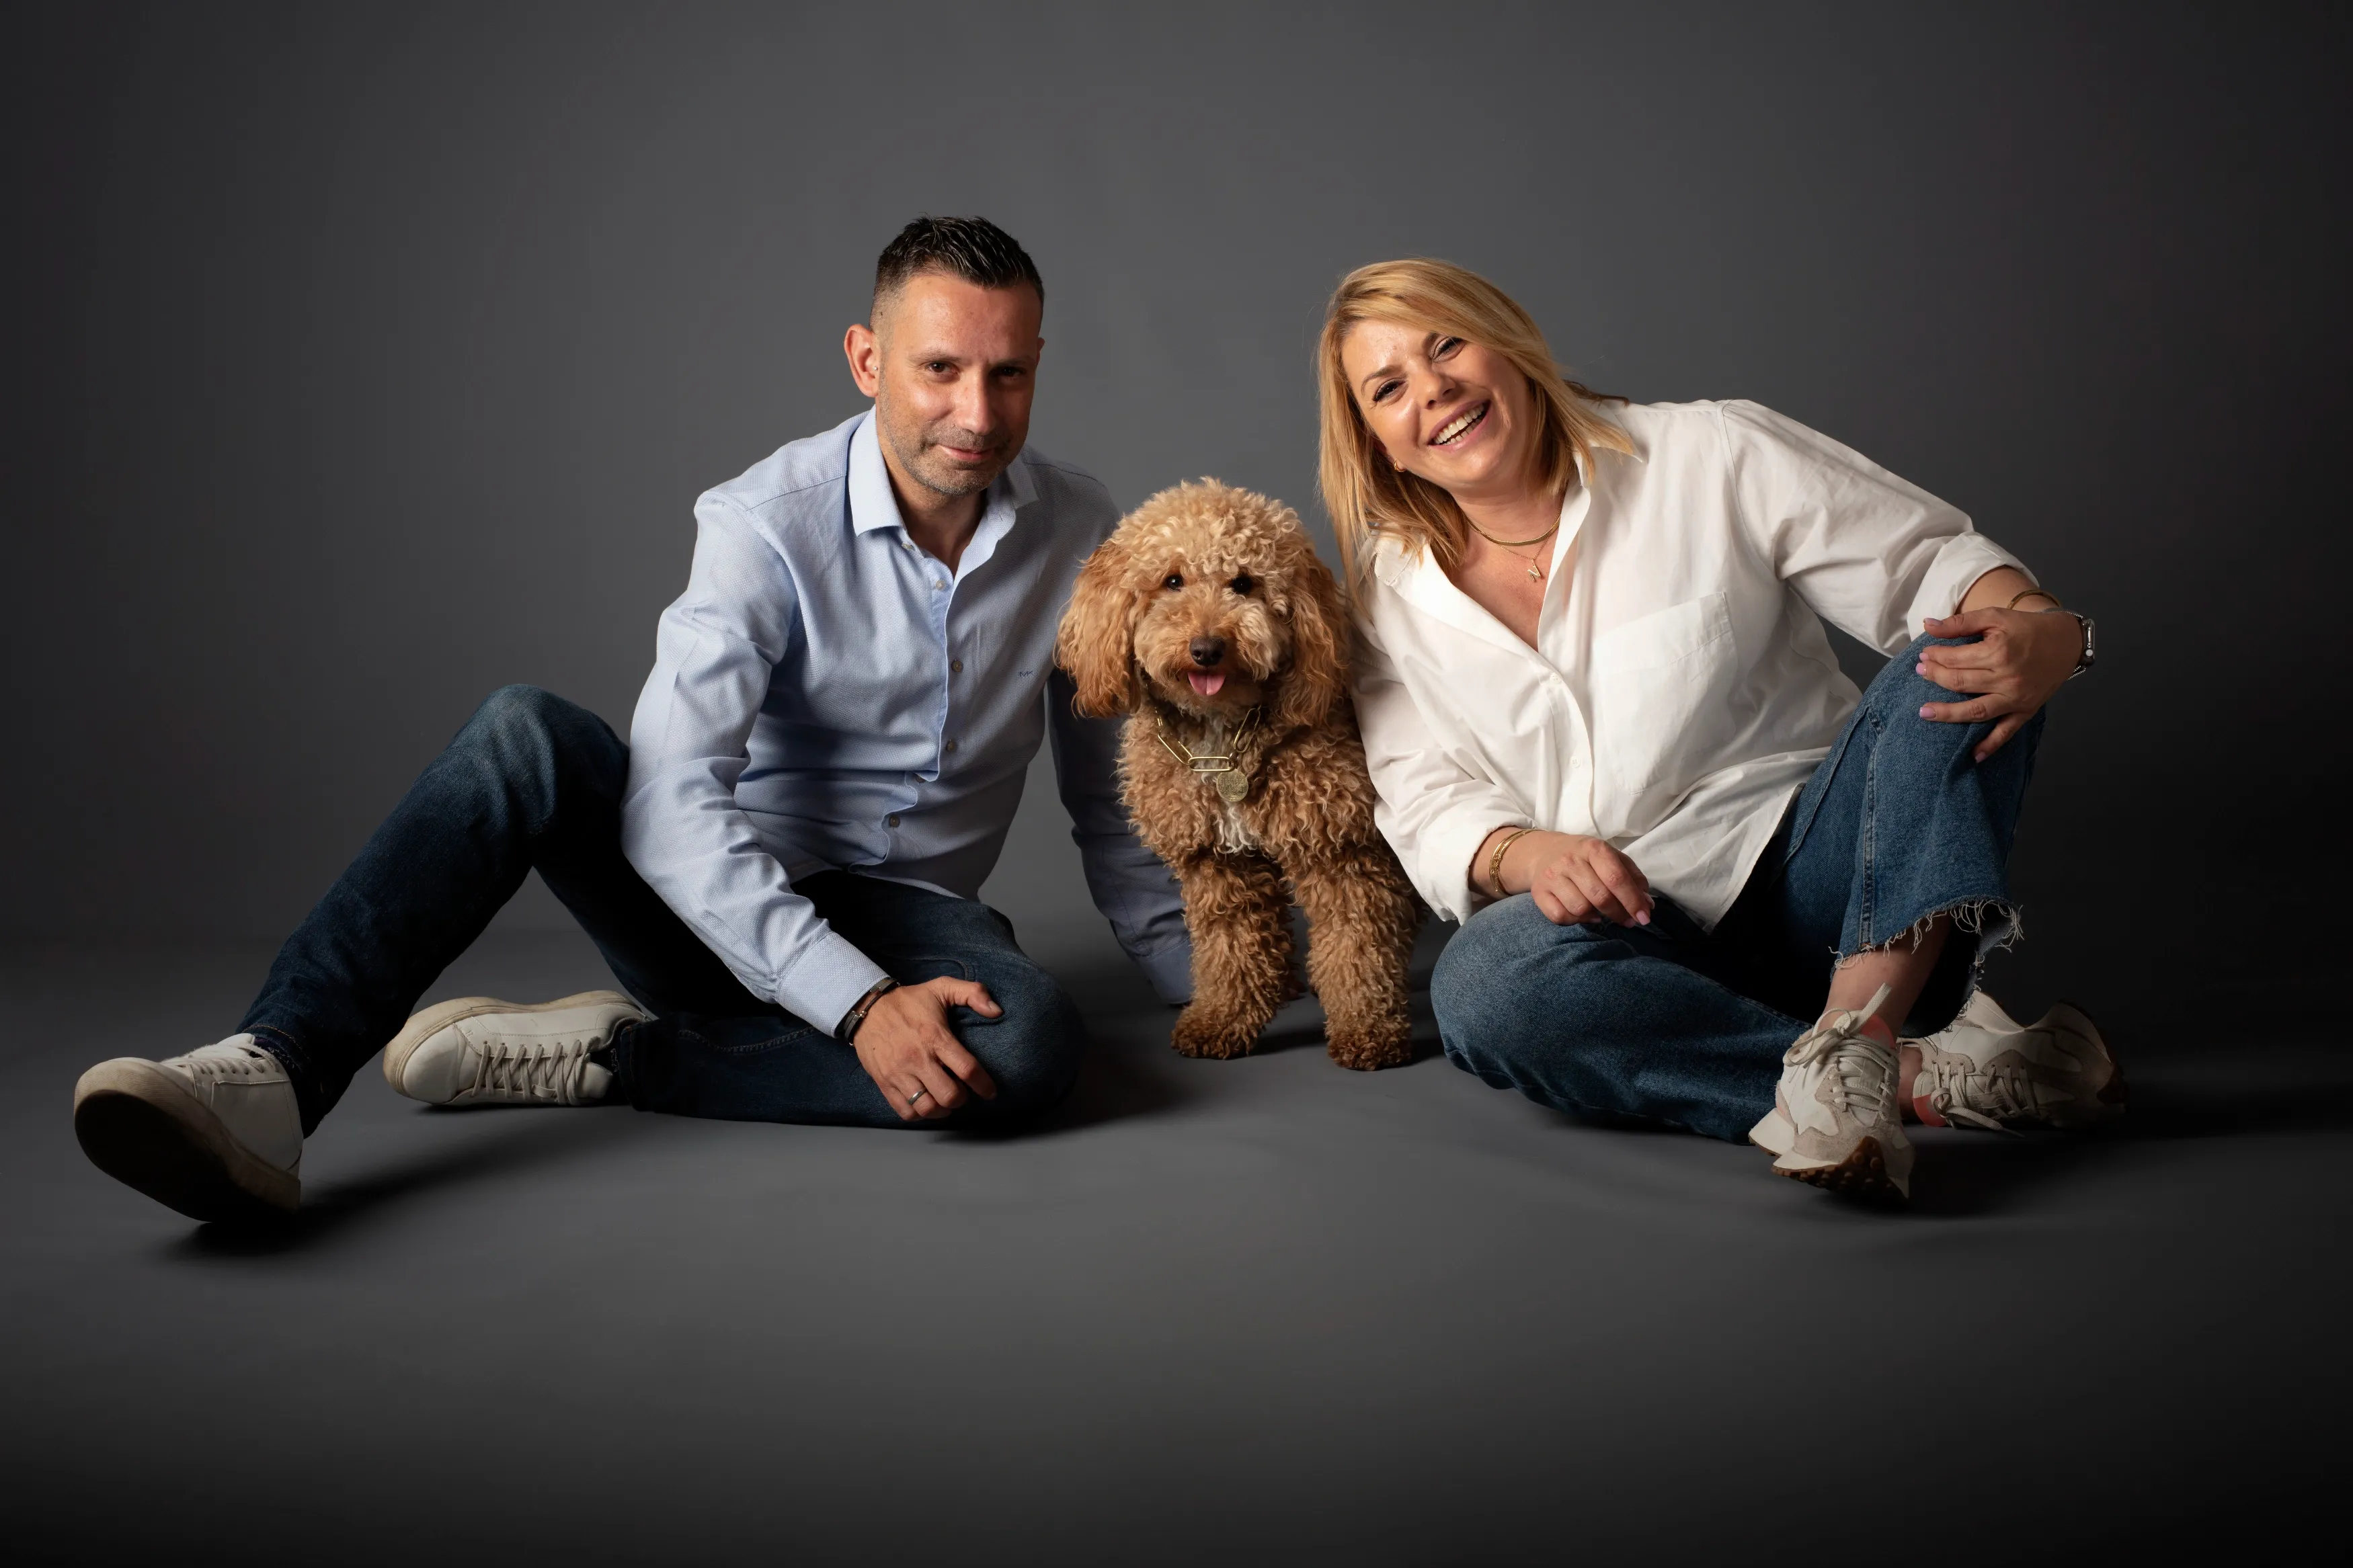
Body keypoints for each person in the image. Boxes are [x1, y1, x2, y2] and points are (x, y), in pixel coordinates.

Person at [72, 216, 1191, 1224]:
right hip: (717, 902)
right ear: (867, 361)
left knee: (1031, 1047)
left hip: (919, 916)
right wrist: (857, 1011)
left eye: (1007, 375)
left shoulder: (1084, 526)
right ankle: (274, 1071)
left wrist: (1201, 976)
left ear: (1039, 366)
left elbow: (1112, 791)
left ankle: (627, 1053)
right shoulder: (764, 523)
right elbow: (667, 802)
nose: (976, 414)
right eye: (939, 369)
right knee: (525, 733)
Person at [1320, 258, 2120, 1204]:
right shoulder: (1385, 592)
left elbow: (1930, 566)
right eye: (1390, 387)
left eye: (1447, 343)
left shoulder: (1707, 451)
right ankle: (1907, 1078)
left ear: (1506, 339)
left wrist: (2052, 634)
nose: (1434, 391)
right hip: (1632, 936)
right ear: (1377, 444)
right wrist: (1530, 855)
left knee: (1945, 663)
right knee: (1486, 986)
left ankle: (1859, 1029)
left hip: (1836, 892)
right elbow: (1422, 793)